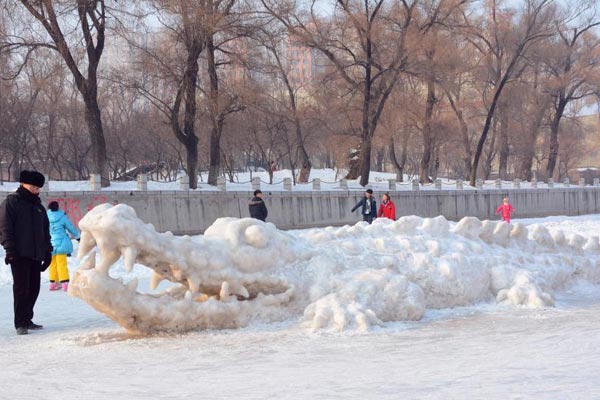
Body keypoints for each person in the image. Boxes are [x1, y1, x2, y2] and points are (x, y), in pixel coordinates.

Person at [0, 170, 52, 335]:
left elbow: (45, 230)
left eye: (38, 188)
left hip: (36, 254)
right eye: (33, 187)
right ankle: (20, 322)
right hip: (19, 254)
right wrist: (10, 250)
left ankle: (28, 318)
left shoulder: (38, 207)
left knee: (34, 288)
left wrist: (48, 252)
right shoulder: (12, 202)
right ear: (23, 184)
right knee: (21, 289)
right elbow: (5, 228)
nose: (36, 190)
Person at [47, 201, 80, 292]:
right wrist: (78, 237)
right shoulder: (62, 217)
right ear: (58, 207)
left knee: (52, 264)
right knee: (62, 264)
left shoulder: (45, 217)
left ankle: (53, 284)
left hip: (50, 244)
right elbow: (71, 228)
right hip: (61, 242)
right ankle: (65, 284)